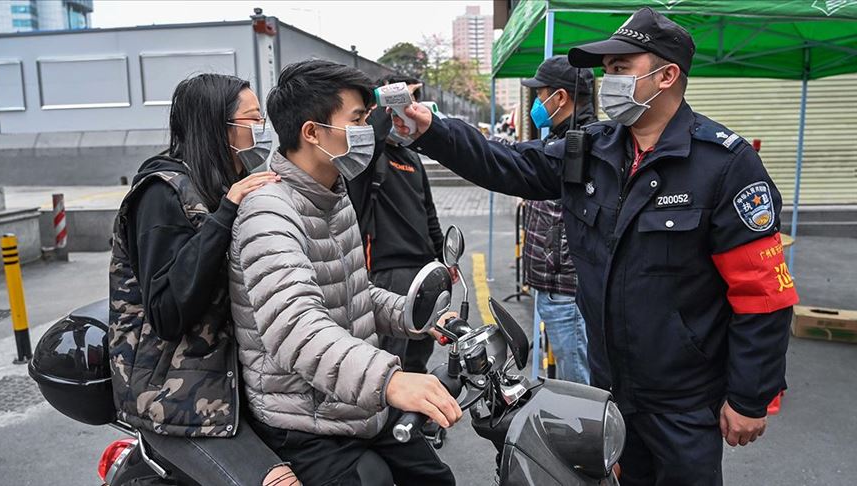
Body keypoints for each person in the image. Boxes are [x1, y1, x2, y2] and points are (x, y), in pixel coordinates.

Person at [392, 7, 799, 485]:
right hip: (609, 391)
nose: (609, 82)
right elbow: (507, 163)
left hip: (684, 401)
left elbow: (762, 295)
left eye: (621, 68)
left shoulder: (725, 165)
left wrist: (750, 397)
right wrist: (434, 132)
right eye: (607, 70)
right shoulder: (591, 149)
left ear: (667, 76)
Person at [227, 60, 459, 486]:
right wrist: (391, 381)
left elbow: (354, 293)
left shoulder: (333, 195)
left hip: (354, 402)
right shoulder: (269, 213)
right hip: (305, 418)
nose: (367, 131)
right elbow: (296, 328)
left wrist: (416, 316)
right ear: (312, 132)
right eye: (357, 120)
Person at [108, 74, 297, 485]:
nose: (262, 129)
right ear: (217, 127)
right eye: (252, 119)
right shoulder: (162, 193)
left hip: (238, 383)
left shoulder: (225, 185)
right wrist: (226, 213)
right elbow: (167, 312)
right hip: (176, 398)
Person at [347, 75, 444, 374]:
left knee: (419, 352)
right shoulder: (367, 159)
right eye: (401, 105)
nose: (408, 112)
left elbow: (428, 211)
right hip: (388, 273)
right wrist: (385, 98)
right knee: (391, 361)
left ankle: (419, 403)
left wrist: (443, 256)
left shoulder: (412, 157)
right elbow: (374, 136)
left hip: (424, 269)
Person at [520, 56, 596, 384]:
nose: (537, 103)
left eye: (541, 94)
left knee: (578, 382)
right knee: (569, 373)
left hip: (566, 291)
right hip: (556, 287)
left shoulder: (581, 146)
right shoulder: (562, 140)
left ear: (560, 97)